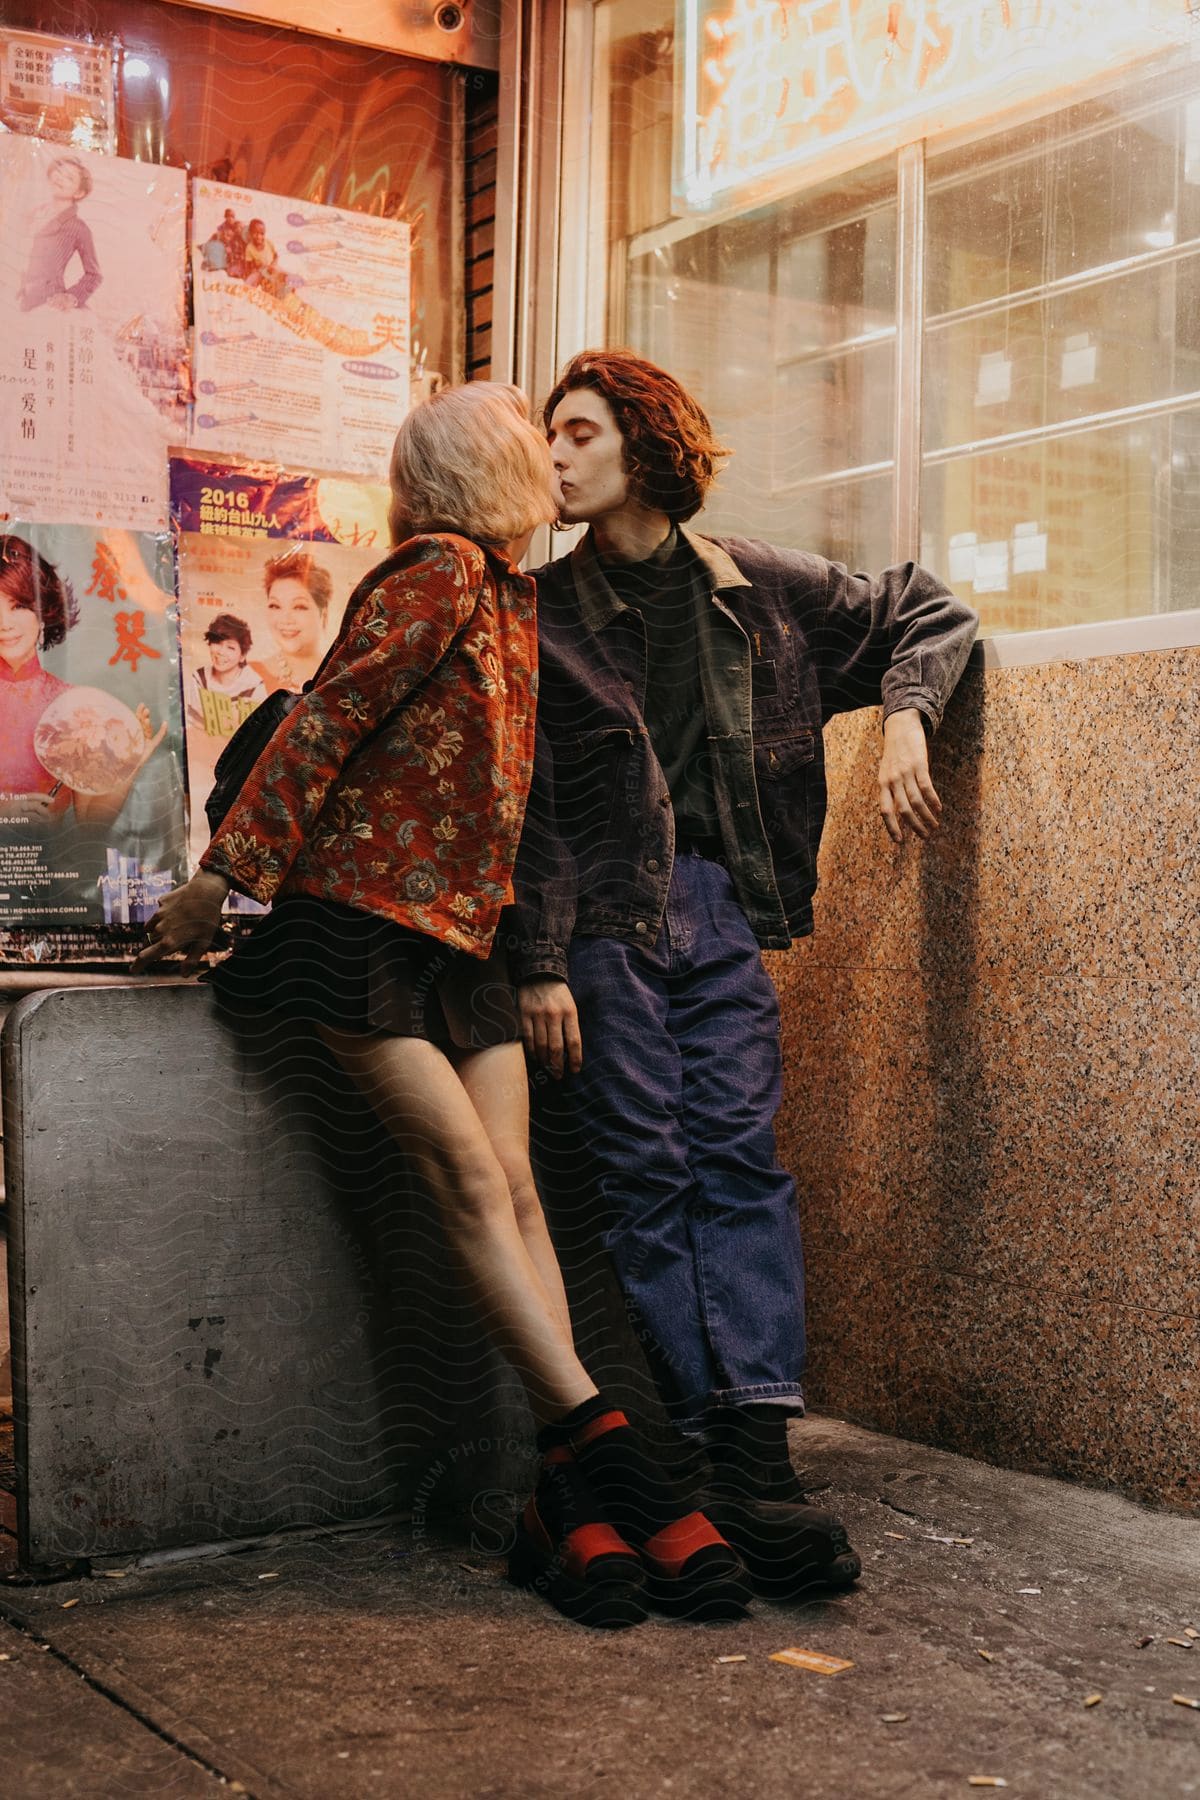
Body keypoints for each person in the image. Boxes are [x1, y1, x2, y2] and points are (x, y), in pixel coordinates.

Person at [132, 382, 752, 1630]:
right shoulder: (435, 570)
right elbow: (325, 726)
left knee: (519, 1192)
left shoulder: (513, 597)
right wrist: (221, 881)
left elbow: (514, 810)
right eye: (537, 441)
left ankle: (560, 1502)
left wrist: (530, 953)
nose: (552, 457)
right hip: (358, 926)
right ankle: (615, 1460)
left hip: (458, 940)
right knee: (470, 1183)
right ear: (488, 468)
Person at [513, 349, 980, 1600]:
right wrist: (540, 957)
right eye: (547, 438)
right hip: (605, 921)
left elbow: (926, 608)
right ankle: (683, 1458)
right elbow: (529, 806)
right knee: (643, 1166)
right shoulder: (535, 610)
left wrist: (907, 718)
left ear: (645, 444)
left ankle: (757, 1456)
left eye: (575, 433)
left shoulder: (757, 586)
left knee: (737, 1157)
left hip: (721, 909)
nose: (553, 457)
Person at [0, 534, 165, 826]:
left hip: (46, 866)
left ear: (42, 612)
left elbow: (91, 821)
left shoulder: (71, 705)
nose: (5, 623)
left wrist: (128, 766)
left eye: (18, 606)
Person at [18, 154, 102, 313]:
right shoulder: (32, 213)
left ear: (79, 193)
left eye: (69, 178)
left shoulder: (79, 228)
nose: (60, 178)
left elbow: (94, 275)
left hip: (48, 304)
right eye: (59, 171)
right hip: (20, 298)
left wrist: (70, 297)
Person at [186, 612, 267, 738]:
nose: (221, 652)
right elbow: (192, 727)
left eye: (230, 647)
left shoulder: (254, 686)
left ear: (242, 656)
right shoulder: (199, 678)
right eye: (217, 642)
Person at [260, 549, 332, 690]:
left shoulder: (339, 676)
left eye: (299, 607)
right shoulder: (247, 674)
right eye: (275, 606)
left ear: (323, 614)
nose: (285, 620)